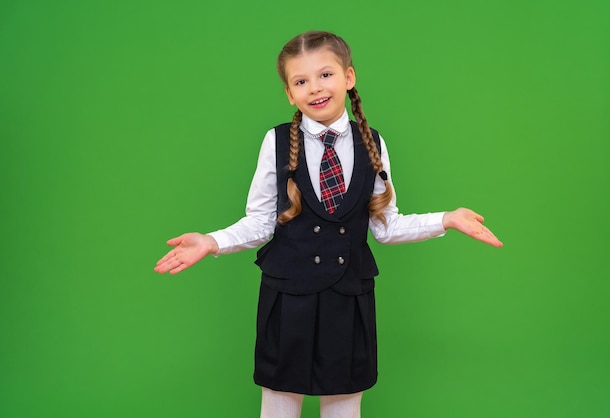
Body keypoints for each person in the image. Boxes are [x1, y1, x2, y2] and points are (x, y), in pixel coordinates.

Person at [155, 30, 502, 418]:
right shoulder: (276, 141)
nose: (315, 89)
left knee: (343, 409)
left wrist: (447, 219)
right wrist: (211, 241)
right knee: (279, 409)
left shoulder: (372, 141)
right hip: (288, 298)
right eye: (301, 81)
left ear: (348, 78)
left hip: (348, 296)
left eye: (325, 75)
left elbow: (386, 227)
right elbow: (260, 222)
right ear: (289, 93)